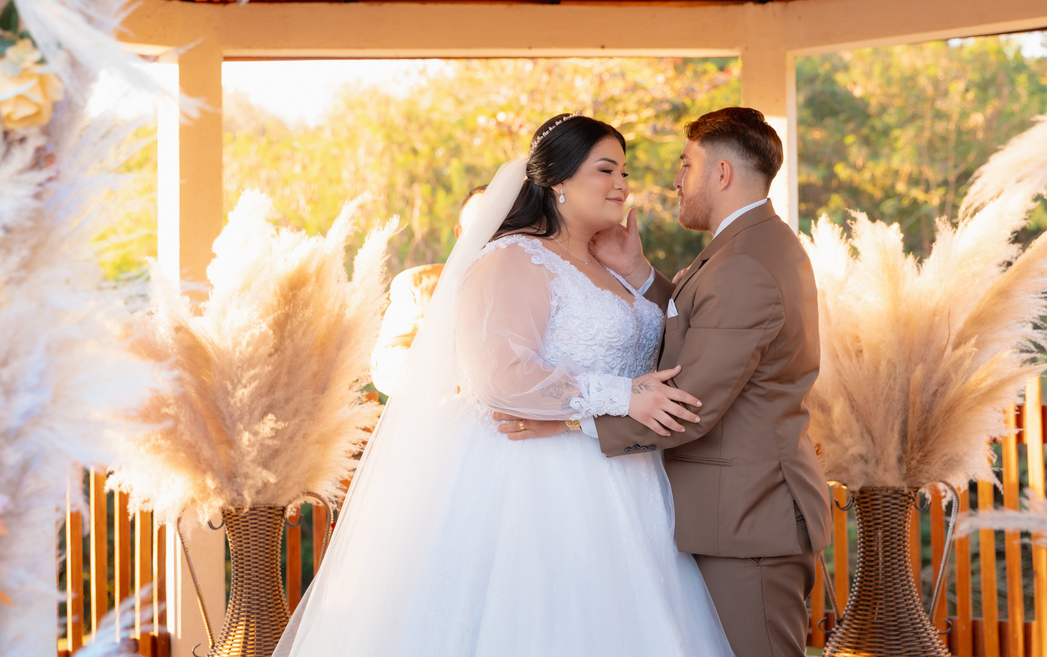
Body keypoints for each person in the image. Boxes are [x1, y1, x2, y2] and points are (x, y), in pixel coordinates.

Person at [273, 114, 734, 657]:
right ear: (558, 180)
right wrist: (624, 395)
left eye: (624, 172)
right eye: (606, 170)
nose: (621, 185)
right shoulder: (512, 257)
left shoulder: (609, 264)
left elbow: (676, 335)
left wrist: (637, 270)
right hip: (536, 480)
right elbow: (501, 376)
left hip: (632, 479)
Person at [500, 107, 832, 657]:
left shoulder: (744, 262)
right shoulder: (752, 245)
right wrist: (638, 273)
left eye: (686, 164)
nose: (676, 180)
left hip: (746, 520)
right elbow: (704, 326)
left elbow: (687, 405)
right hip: (732, 513)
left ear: (721, 173)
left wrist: (569, 421)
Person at [370, 186, 486, 395]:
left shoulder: (536, 287)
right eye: (479, 225)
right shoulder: (416, 285)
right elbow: (384, 363)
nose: (488, 235)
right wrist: (452, 371)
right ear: (460, 234)